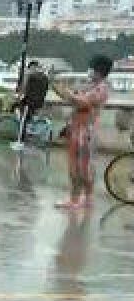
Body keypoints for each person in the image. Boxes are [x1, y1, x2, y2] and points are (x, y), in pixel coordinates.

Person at [51, 55, 111, 209]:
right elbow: (74, 96)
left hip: (84, 132)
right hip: (80, 129)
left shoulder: (100, 88)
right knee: (83, 167)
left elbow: (80, 101)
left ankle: (75, 199)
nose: (89, 71)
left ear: (98, 71)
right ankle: (86, 199)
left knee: (77, 167)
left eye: (92, 68)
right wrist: (62, 90)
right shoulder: (92, 86)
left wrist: (63, 91)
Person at [14, 60, 50, 147]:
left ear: (31, 67)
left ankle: (20, 142)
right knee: (28, 117)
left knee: (23, 120)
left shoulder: (31, 76)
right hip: (39, 102)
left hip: (30, 102)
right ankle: (30, 130)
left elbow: (24, 89)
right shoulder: (44, 77)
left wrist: (18, 97)